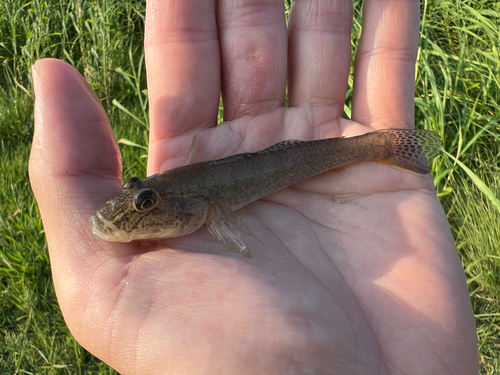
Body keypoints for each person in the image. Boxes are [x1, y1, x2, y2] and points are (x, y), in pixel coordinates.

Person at [29, 0, 478, 373]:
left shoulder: (190, 203)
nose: (128, 212)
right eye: (140, 200)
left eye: (143, 201)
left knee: (350, 148)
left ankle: (384, 145)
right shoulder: (183, 203)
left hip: (316, 156)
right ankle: (381, 145)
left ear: (186, 206)